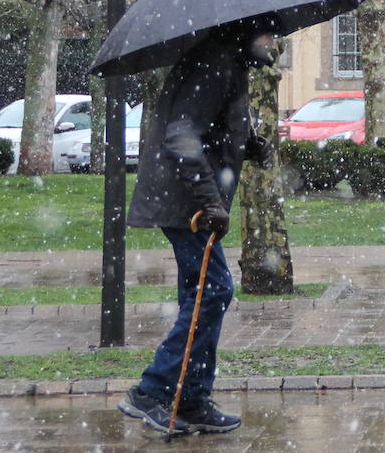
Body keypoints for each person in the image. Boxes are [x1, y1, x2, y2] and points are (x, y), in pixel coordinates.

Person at [118, 22, 276, 435]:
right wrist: (208, 200)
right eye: (268, 36)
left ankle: (190, 400)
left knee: (202, 292)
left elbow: (209, 129)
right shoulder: (215, 64)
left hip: (191, 200)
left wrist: (249, 144)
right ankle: (152, 390)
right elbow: (181, 134)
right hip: (185, 202)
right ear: (246, 33)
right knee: (215, 290)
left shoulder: (229, 63)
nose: (274, 44)